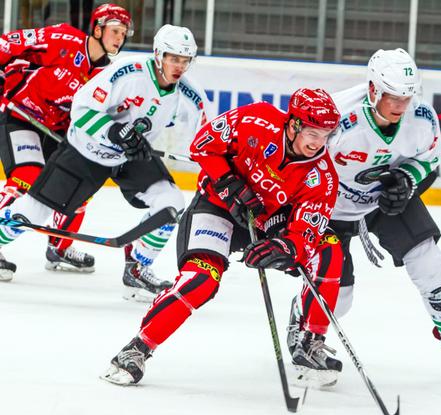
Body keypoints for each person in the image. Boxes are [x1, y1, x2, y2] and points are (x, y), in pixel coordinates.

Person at [100, 88, 343, 386]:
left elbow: (306, 232)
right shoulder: (256, 119)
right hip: (217, 206)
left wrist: (285, 247)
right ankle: (137, 348)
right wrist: (228, 183)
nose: (319, 144)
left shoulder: (323, 176)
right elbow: (203, 144)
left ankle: (310, 341)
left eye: (326, 135)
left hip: (270, 223)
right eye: (313, 133)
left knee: (329, 250)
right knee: (201, 279)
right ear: (293, 124)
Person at [288, 48, 441, 383]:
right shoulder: (339, 116)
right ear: (373, 88)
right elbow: (296, 161)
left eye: (406, 96)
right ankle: (303, 324)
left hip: (380, 202)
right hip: (327, 208)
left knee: (432, 266)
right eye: (392, 96)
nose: (400, 106)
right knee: (339, 298)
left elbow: (428, 160)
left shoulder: (422, 118)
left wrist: (407, 180)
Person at [0, 24, 206, 304]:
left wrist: (223, 171)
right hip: (86, 150)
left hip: (130, 156)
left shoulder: (190, 96)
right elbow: (82, 108)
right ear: (158, 55)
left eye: (185, 60)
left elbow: (208, 141)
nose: (179, 66)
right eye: (173, 58)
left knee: (170, 203)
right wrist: (112, 131)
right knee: (33, 212)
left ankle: (138, 268)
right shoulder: (128, 72)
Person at [0, 3, 132, 277]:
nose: (120, 38)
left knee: (78, 183)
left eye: (124, 33)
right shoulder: (63, 39)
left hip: (57, 131)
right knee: (26, 176)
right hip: (20, 114)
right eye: (115, 31)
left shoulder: (110, 76)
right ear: (97, 29)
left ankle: (60, 247)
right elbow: (8, 43)